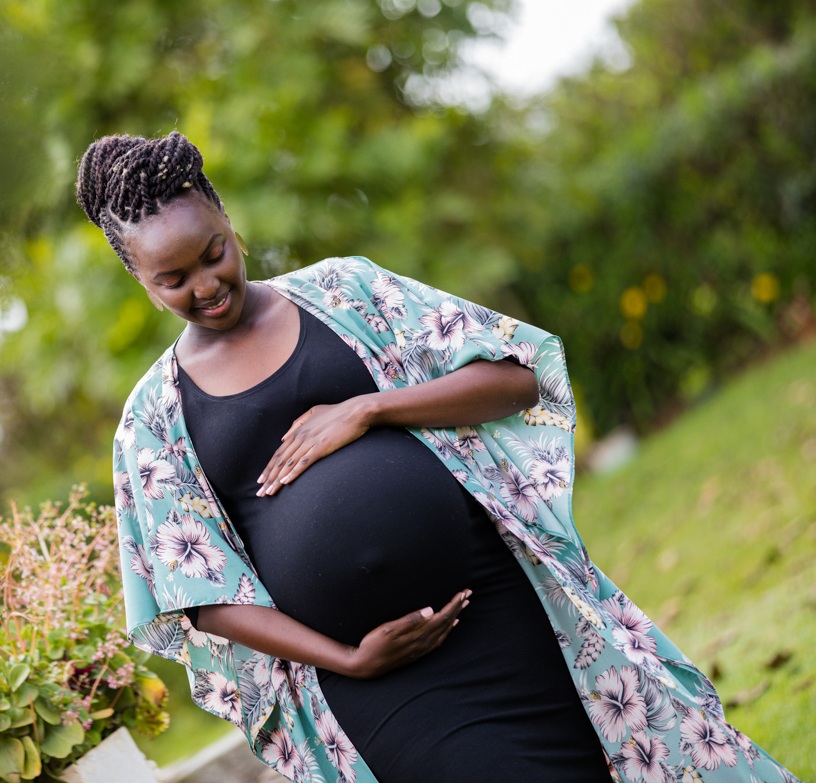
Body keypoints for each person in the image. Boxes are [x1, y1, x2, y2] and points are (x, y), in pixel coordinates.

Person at [75, 131, 798, 783]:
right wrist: (350, 658)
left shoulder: (344, 292)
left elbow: (518, 377)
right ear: (138, 277)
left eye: (214, 253)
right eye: (175, 280)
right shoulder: (152, 419)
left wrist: (369, 407)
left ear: (228, 219)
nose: (206, 285)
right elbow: (196, 596)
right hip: (373, 681)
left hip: (501, 612)